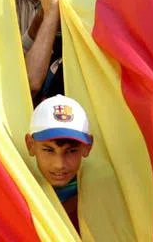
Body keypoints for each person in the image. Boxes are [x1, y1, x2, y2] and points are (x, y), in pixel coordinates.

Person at [24, 95, 94, 232]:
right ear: (30, 145)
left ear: (87, 147)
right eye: (48, 150)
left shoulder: (98, 195)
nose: (59, 164)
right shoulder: (20, 189)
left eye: (71, 151)